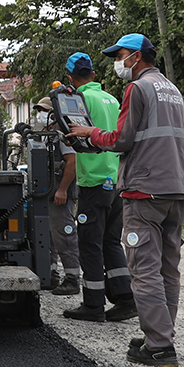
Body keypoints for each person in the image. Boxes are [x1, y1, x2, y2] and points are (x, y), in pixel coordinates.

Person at [69, 34, 184, 367]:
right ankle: (160, 337)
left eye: (119, 55)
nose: (116, 62)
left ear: (136, 57)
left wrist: (86, 133)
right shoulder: (171, 89)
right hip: (176, 187)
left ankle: (160, 347)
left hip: (145, 188)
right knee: (168, 268)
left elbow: (122, 139)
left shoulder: (137, 88)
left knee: (145, 268)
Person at [59, 53, 136, 322]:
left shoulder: (78, 100)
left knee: (89, 243)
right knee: (111, 241)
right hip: (116, 178)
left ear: (70, 77)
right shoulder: (112, 99)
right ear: (92, 74)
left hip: (92, 179)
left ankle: (93, 305)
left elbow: (71, 133)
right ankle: (126, 298)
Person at [31, 95, 81, 296]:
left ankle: (72, 278)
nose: (39, 115)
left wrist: (62, 190)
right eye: (38, 111)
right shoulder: (46, 134)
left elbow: (72, 162)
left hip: (61, 194)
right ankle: (51, 275)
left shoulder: (63, 133)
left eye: (43, 111)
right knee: (49, 236)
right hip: (47, 194)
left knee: (64, 236)